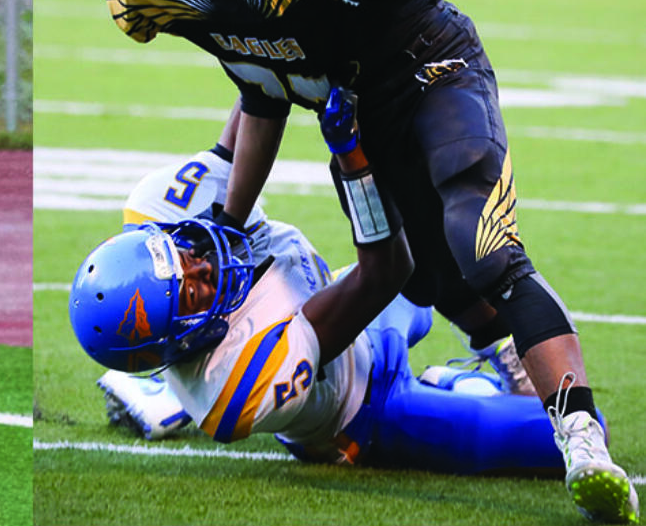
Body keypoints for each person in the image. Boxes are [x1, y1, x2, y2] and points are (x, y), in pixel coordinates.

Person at [64, 0, 637, 524]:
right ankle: (500, 352)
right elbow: (259, 87)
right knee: (431, 278)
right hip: (352, 116)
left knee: (479, 239)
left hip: (427, 61)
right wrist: (250, 207)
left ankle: (579, 433)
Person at [69, 91, 596, 479]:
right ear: (178, 341)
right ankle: (456, 384)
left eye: (179, 257)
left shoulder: (161, 209)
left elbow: (257, 102)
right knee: (568, 434)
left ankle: (496, 344)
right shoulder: (235, 382)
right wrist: (350, 155)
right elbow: (387, 271)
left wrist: (267, 57)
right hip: (367, 405)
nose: (201, 267)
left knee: (441, 254)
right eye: (191, 292)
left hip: (346, 302)